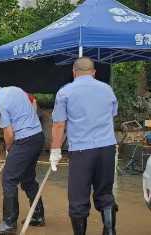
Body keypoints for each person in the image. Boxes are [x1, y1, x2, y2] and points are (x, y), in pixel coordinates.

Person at [50, 57, 118, 235]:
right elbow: (111, 115)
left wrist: (55, 150)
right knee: (105, 192)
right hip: (107, 148)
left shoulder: (65, 92)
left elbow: (59, 125)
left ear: (74, 72)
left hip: (81, 150)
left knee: (79, 197)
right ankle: (109, 230)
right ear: (94, 72)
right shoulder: (107, 89)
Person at [0, 75, 46, 234]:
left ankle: (9, 223)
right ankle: (38, 215)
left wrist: (9, 149)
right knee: (27, 178)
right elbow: (31, 106)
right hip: (37, 137)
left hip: (24, 140)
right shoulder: (15, 89)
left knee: (9, 179)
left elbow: (8, 133)